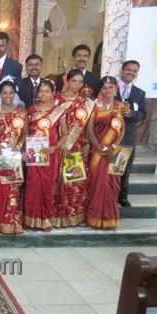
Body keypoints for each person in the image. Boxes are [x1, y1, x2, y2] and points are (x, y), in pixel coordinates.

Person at [23, 80, 70, 231]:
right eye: (41, 91)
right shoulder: (31, 110)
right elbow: (26, 133)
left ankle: (46, 219)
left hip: (51, 154)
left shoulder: (58, 111)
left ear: (52, 93)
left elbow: (65, 134)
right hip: (34, 153)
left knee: (48, 186)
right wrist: (25, 149)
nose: (43, 94)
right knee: (33, 184)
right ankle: (31, 219)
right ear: (37, 93)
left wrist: (54, 147)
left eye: (47, 91)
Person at [0, 81, 27, 235]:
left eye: (11, 92)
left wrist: (20, 144)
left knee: (12, 189)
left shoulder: (21, 112)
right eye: (5, 93)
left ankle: (12, 222)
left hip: (14, 155)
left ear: (15, 94)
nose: (8, 96)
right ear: (0, 94)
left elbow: (25, 133)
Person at [55, 69, 95, 227]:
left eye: (80, 82)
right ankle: (56, 216)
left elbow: (88, 129)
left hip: (77, 146)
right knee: (57, 183)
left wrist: (87, 144)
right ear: (67, 81)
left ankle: (74, 216)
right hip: (58, 146)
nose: (77, 85)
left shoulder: (86, 103)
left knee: (75, 183)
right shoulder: (56, 99)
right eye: (74, 81)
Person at [86, 76, 125, 228]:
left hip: (114, 153)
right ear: (100, 90)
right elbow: (89, 132)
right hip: (97, 152)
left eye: (111, 87)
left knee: (112, 186)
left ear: (116, 89)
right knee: (96, 184)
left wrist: (113, 147)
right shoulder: (94, 106)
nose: (107, 90)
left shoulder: (120, 106)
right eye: (104, 88)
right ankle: (94, 218)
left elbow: (122, 131)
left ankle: (109, 218)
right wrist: (100, 148)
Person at [115, 60, 146, 207]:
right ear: (121, 71)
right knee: (109, 169)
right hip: (110, 136)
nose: (131, 73)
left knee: (125, 168)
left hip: (127, 137)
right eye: (128, 70)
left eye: (134, 71)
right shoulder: (110, 88)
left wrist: (131, 113)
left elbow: (142, 114)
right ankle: (110, 194)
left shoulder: (139, 93)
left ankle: (123, 197)